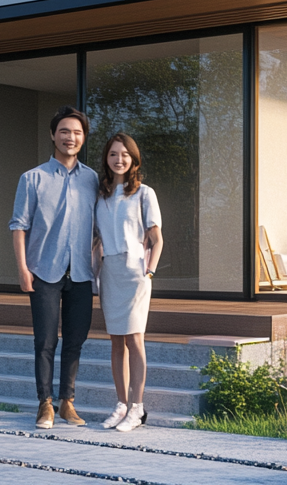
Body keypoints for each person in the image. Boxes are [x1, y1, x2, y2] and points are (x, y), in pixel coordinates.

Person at [9, 106, 98, 430]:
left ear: (83, 137)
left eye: (76, 132)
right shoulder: (32, 178)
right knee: (45, 341)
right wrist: (22, 269)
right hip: (43, 271)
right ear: (52, 135)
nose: (70, 137)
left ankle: (67, 403)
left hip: (82, 273)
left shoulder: (92, 179)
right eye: (64, 131)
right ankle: (44, 403)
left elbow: (100, 226)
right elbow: (18, 225)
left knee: (76, 340)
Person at [93, 132, 163, 432]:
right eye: (113, 154)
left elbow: (157, 239)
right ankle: (121, 405)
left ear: (133, 159)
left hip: (135, 271)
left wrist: (149, 271)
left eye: (124, 154)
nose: (119, 159)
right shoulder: (100, 195)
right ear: (106, 159)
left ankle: (137, 407)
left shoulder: (144, 193)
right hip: (109, 272)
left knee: (134, 339)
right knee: (115, 341)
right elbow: (96, 239)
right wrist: (96, 275)